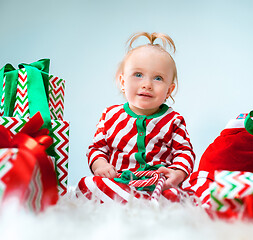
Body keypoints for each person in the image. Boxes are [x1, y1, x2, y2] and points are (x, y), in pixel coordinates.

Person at [77, 32, 195, 203]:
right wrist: (101, 165)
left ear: (169, 90)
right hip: (120, 181)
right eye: (138, 75)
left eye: (158, 78)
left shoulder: (173, 120)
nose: (147, 84)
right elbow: (97, 148)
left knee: (181, 196)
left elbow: (184, 152)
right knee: (87, 184)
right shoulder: (110, 116)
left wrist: (177, 173)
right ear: (123, 82)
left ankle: (141, 203)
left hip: (158, 184)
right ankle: (130, 201)